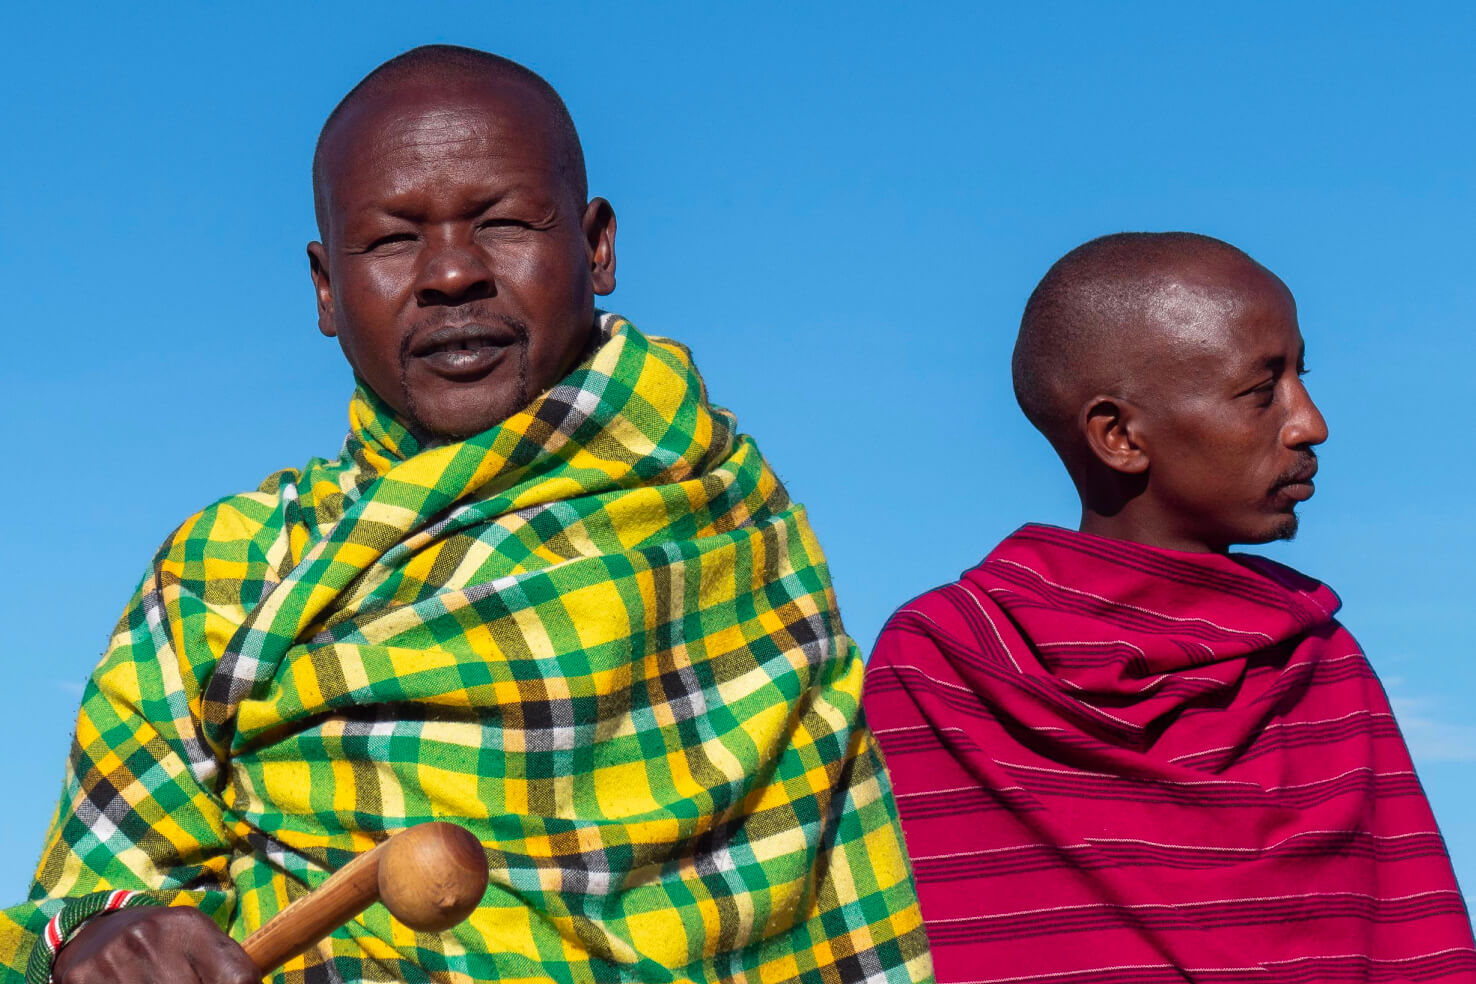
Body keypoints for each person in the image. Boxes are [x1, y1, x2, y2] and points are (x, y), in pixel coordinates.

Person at [0, 45, 932, 984]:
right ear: (326, 289)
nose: (451, 274)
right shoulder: (226, 575)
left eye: (503, 222)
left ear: (597, 245)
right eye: (394, 240)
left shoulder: (723, 520)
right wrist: (100, 940)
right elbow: (93, 900)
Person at [863, 232, 1476, 983]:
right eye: (1263, 391)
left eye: (1301, 378)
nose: (1309, 423)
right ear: (1119, 435)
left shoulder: (1315, 659)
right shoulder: (948, 659)